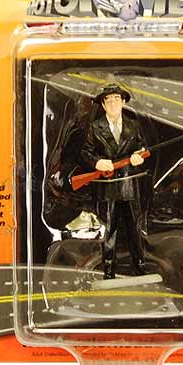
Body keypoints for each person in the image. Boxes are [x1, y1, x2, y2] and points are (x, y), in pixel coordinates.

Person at [80, 83, 147, 279]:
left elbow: (142, 147)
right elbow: (86, 152)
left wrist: (139, 157)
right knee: (108, 231)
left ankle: (140, 268)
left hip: (129, 185)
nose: (113, 103)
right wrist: (98, 162)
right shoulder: (95, 127)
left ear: (123, 102)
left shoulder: (133, 125)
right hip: (107, 188)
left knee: (135, 229)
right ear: (103, 104)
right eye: (108, 100)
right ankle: (108, 272)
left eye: (117, 99)